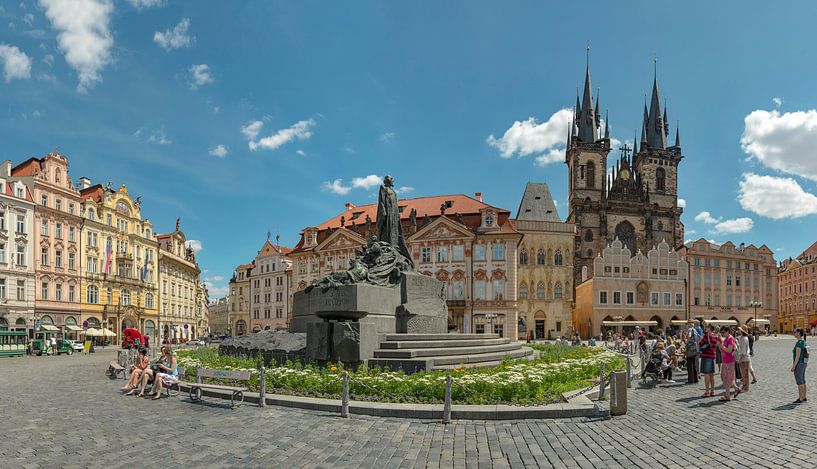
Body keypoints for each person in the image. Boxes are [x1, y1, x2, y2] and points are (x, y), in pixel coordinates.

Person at [717, 326, 739, 401]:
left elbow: (729, 350)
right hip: (725, 360)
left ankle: (727, 396)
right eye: (721, 332)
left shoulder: (730, 339)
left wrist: (721, 346)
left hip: (729, 361)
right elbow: (722, 350)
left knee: (727, 378)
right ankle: (736, 389)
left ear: (728, 331)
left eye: (723, 332)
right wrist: (719, 346)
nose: (722, 334)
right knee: (724, 377)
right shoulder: (726, 339)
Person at [699, 325, 718, 397]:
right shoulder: (715, 336)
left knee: (706, 374)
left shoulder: (706, 336)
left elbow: (700, 344)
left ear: (709, 329)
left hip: (706, 356)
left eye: (707, 328)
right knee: (711, 374)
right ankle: (712, 391)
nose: (705, 329)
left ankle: (707, 392)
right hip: (712, 356)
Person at [791, 329, 808, 403]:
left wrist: (793, 366)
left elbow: (797, 356)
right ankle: (804, 396)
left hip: (799, 364)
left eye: (795, 332)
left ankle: (800, 398)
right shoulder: (804, 342)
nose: (794, 333)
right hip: (803, 363)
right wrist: (805, 363)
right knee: (803, 380)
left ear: (798, 333)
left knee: (799, 381)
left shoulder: (798, 343)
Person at [736, 326, 752, 392]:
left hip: (744, 357)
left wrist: (739, 359)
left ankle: (746, 387)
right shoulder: (742, 337)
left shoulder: (744, 338)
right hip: (743, 357)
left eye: (740, 330)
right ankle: (744, 385)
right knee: (743, 373)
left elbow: (743, 350)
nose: (738, 331)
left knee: (745, 373)